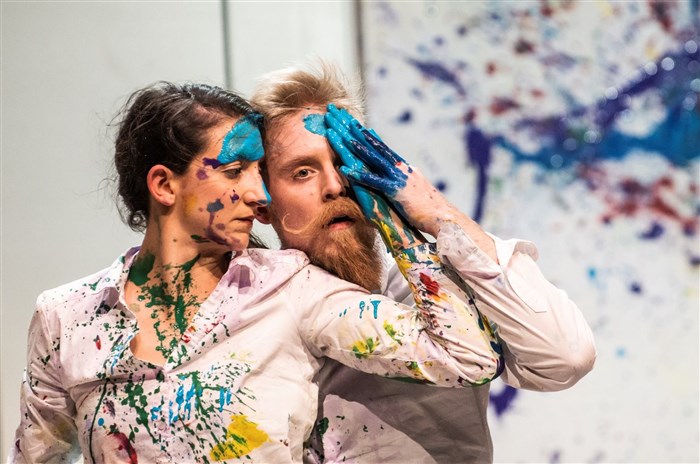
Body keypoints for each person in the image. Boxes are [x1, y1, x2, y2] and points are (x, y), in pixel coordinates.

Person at [10, 81, 505, 463]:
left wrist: (396, 216)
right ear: (164, 184)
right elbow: (38, 456)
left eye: (260, 171)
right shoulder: (67, 317)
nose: (261, 194)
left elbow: (466, 357)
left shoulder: (291, 289)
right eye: (235, 171)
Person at [251, 63, 597, 463]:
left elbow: (566, 358)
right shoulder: (251, 310)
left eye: (344, 161)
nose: (335, 186)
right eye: (303, 172)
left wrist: (434, 211)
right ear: (263, 203)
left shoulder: (442, 285)